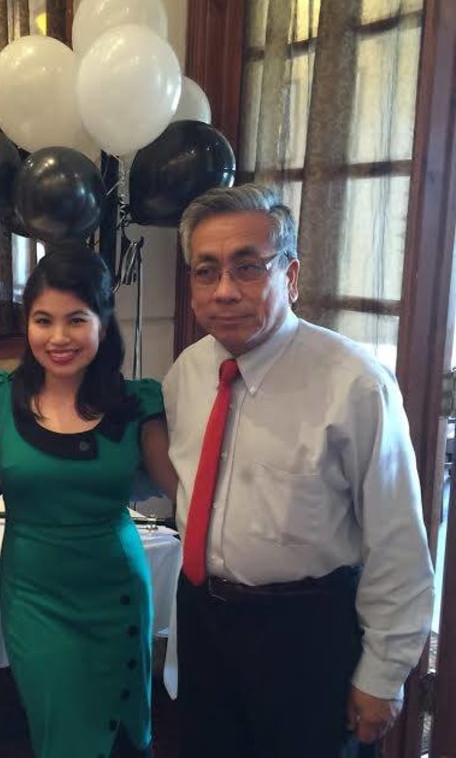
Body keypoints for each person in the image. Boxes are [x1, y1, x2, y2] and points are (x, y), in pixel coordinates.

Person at [162, 184, 434, 757]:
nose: (225, 290)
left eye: (248, 267)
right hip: (205, 623)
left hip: (307, 632)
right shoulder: (187, 371)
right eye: (205, 271)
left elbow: (398, 540)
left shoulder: (354, 383)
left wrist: (383, 675)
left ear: (290, 275)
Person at [0, 246, 177, 758]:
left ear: (104, 323)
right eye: (43, 320)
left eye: (76, 319)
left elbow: (185, 490)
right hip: (36, 596)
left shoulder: (137, 403)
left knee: (124, 734)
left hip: (116, 590)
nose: (59, 337)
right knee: (60, 728)